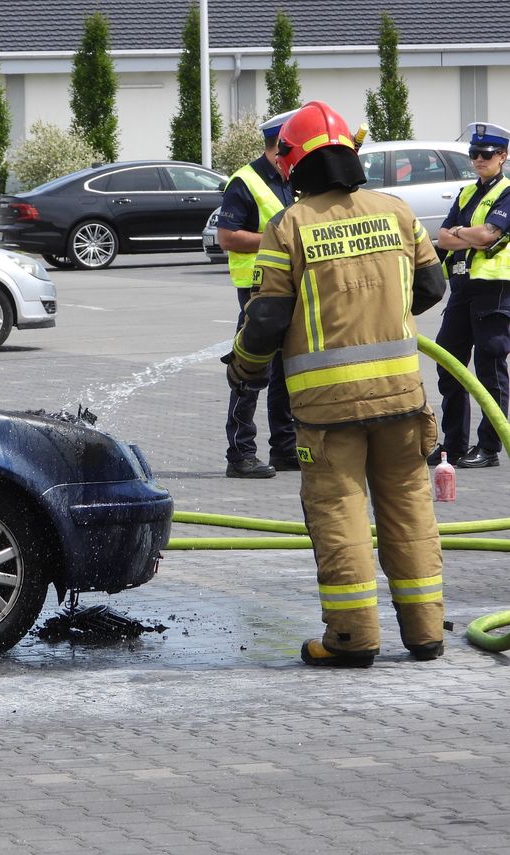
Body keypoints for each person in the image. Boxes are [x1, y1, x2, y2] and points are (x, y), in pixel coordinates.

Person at [225, 101, 448, 667]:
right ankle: (425, 634)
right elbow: (431, 288)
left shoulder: (289, 226)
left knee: (341, 516)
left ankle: (352, 639)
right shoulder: (396, 211)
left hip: (328, 412)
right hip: (403, 397)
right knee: (410, 513)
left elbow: (268, 318)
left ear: (297, 165)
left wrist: (245, 369)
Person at [218, 110, 298, 478]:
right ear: (279, 147)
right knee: (250, 370)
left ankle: (284, 448)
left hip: (288, 287)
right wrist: (275, 241)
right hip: (256, 292)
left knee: (286, 371)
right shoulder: (245, 181)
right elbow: (228, 237)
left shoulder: (289, 178)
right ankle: (241, 454)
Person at [426, 122, 510, 469]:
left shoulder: (507, 193)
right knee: (449, 366)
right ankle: (455, 444)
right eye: (474, 154)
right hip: (462, 289)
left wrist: (468, 233)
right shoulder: (465, 194)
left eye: (486, 154)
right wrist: (467, 234)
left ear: (503, 156)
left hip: (495, 291)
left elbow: (490, 235)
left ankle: (489, 447)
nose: (478, 159)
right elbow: (443, 237)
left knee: (489, 370)